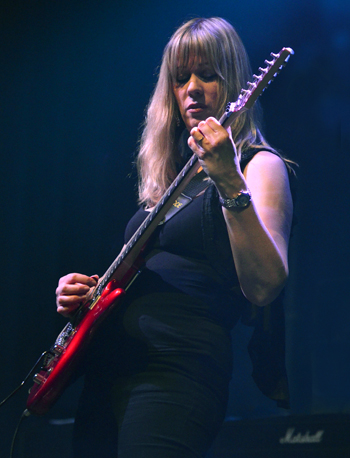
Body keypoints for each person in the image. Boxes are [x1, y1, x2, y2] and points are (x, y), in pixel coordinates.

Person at [56, 17, 294, 458]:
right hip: (111, 370)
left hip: (176, 372)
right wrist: (88, 294)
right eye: (180, 78)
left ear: (236, 83)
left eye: (208, 74)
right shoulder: (168, 183)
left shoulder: (258, 165)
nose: (192, 89)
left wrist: (228, 179)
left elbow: (264, 285)